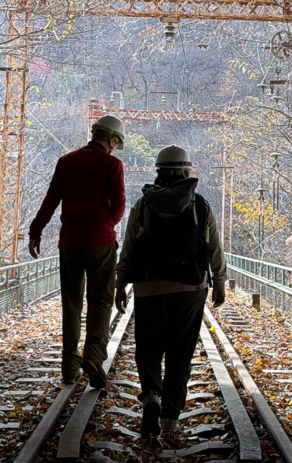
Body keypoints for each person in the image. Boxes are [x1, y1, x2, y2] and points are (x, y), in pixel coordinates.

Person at [115, 145, 226, 436]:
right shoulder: (200, 204)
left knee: (148, 347)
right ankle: (170, 418)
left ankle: (152, 394)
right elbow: (214, 246)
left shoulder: (144, 203)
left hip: (148, 286)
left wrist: (120, 283)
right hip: (190, 287)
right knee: (181, 352)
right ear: (187, 171)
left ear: (158, 171)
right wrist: (220, 281)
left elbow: (129, 247)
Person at [29, 114, 127, 388]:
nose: (115, 148)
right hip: (100, 242)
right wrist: (106, 224)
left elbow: (51, 200)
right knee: (101, 301)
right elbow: (119, 206)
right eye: (116, 144)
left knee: (71, 303)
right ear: (111, 140)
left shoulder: (66, 161)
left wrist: (36, 231)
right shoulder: (112, 165)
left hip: (70, 242)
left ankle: (69, 368)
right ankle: (93, 356)